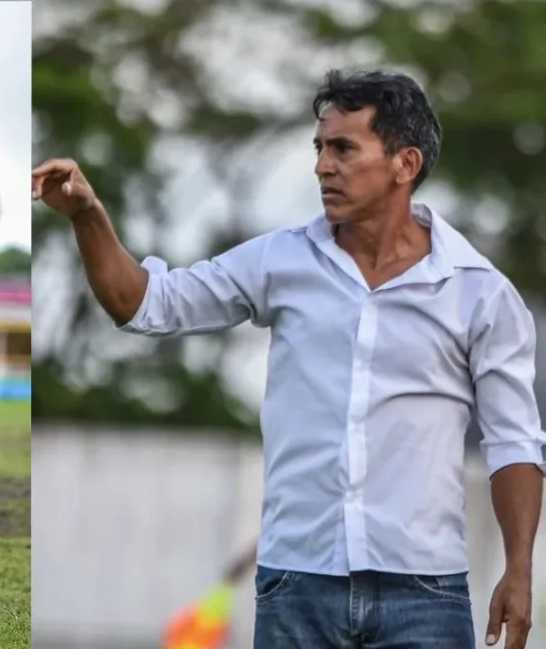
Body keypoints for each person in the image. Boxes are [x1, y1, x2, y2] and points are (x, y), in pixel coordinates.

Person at [32, 69, 545, 649]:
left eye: (345, 148)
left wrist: (519, 571)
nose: (324, 165)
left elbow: (514, 442)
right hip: (297, 589)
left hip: (425, 595)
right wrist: (87, 215)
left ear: (406, 164)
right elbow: (144, 303)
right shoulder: (281, 260)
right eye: (320, 148)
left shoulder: (480, 292)